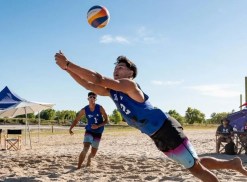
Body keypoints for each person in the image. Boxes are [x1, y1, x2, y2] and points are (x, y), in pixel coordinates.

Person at [55, 51, 247, 182]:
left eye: (121, 67)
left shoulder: (130, 86)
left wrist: (70, 63)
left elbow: (97, 78)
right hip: (156, 135)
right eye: (116, 66)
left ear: (131, 73)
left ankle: (231, 165)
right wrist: (66, 69)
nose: (117, 69)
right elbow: (89, 85)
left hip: (165, 128)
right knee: (194, 163)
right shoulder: (114, 92)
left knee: (195, 169)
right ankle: (232, 163)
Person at [69, 92, 109, 169]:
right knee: (85, 148)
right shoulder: (84, 110)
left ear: (96, 99)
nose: (92, 98)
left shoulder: (100, 108)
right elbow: (76, 119)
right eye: (90, 97)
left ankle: (89, 159)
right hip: (89, 131)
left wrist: (98, 126)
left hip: (98, 132)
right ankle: (78, 167)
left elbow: (107, 119)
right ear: (88, 98)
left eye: (94, 97)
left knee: (93, 153)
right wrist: (71, 128)